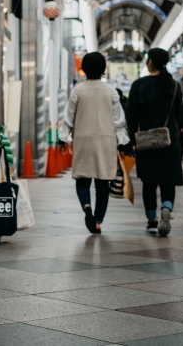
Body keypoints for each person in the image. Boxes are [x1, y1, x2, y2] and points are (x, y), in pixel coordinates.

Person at [59, 52, 129, 234]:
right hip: (106, 142)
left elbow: (68, 119)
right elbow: (119, 121)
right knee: (102, 185)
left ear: (84, 67)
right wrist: (123, 143)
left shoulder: (78, 90)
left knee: (82, 180)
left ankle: (86, 207)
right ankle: (97, 221)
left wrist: (62, 139)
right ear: (103, 68)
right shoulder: (111, 91)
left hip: (83, 140)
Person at [126, 48, 182, 236]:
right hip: (170, 140)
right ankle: (166, 206)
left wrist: (128, 141)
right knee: (168, 180)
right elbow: (178, 116)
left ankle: (151, 220)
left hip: (147, 142)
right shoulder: (174, 85)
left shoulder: (139, 85)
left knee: (149, 182)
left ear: (150, 62)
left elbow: (131, 117)